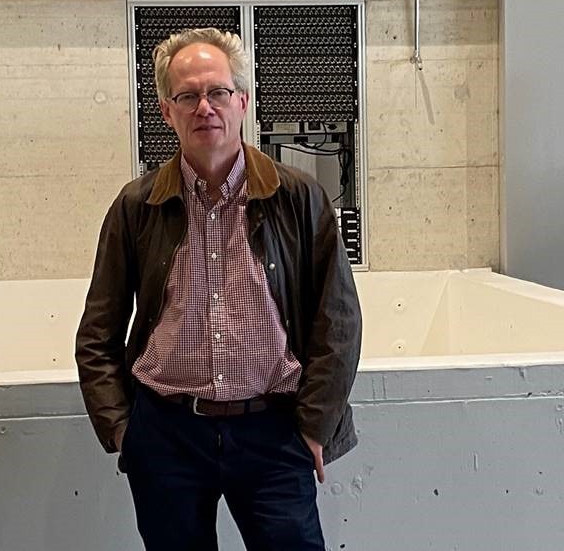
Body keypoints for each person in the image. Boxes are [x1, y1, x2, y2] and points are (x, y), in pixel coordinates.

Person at [75, 28, 362, 551]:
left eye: (218, 92)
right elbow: (97, 331)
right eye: (187, 96)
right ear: (166, 110)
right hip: (167, 433)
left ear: (243, 101)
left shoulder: (298, 196)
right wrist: (124, 430)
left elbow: (338, 322)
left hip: (274, 430)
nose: (204, 107)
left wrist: (315, 426)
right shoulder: (137, 205)